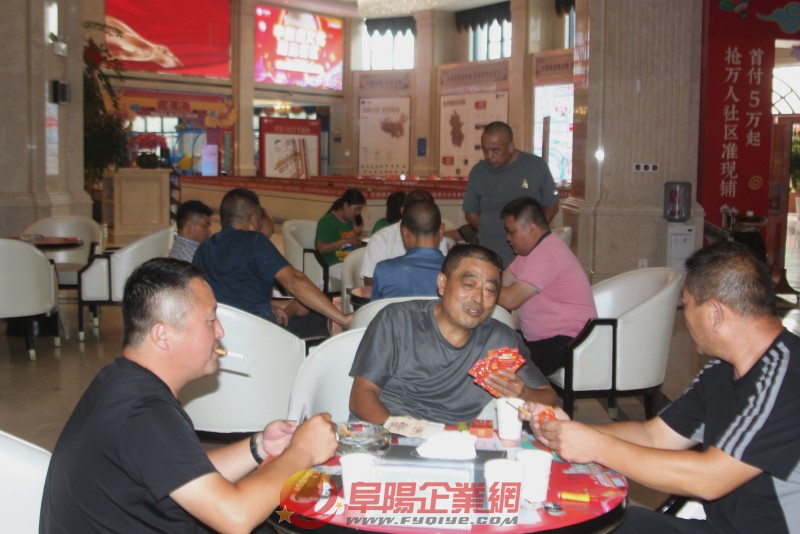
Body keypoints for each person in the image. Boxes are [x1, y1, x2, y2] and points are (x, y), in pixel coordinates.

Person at [40, 258, 338, 533]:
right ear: (162, 335)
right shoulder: (143, 411)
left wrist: (259, 446)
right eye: (210, 320)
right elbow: (235, 517)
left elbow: (182, 470)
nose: (220, 331)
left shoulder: (122, 382)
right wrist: (302, 451)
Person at [521, 241, 800, 533]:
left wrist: (595, 446)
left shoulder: (788, 379)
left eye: (687, 304)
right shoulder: (721, 371)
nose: (685, 316)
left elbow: (710, 478)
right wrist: (569, 431)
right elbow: (654, 436)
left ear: (715, 313)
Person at [349, 244, 558, 426]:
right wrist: (404, 431)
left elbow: (549, 398)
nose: (478, 298)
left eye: (489, 290)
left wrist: (523, 393)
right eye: (469, 285)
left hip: (453, 441)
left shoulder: (498, 341)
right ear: (442, 283)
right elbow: (361, 396)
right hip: (387, 430)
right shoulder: (398, 322)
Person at [193, 188, 350, 338]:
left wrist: (272, 307)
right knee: (317, 318)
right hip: (258, 333)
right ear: (254, 219)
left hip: (222, 331)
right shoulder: (253, 241)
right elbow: (294, 280)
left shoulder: (203, 249)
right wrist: (342, 318)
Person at [497, 197, 596, 375]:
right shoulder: (529, 253)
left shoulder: (546, 254)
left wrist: (475, 286)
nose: (508, 238)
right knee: (490, 347)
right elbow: (501, 283)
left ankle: (534, 393)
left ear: (531, 228)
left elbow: (510, 300)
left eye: (512, 232)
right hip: (542, 340)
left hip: (567, 342)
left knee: (495, 368)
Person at [463, 121, 560, 268]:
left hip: (529, 252)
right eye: (485, 150)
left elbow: (552, 206)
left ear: (510, 147)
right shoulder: (478, 172)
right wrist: (489, 230)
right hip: (490, 251)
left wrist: (533, 234)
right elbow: (471, 213)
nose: (489, 156)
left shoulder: (536, 166)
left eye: (495, 150)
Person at [360, 189, 451, 286]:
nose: (422, 216)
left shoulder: (439, 239)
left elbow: (444, 280)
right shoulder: (380, 240)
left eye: (426, 210)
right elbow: (370, 284)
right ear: (403, 211)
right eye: (416, 211)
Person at [372, 200, 445, 300]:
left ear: (404, 231)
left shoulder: (384, 270)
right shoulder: (456, 271)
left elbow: (375, 308)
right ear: (441, 230)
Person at [315, 188, 366, 280]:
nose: (358, 213)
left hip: (347, 262)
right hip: (332, 265)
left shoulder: (350, 222)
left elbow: (351, 248)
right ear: (345, 205)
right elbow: (321, 249)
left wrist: (355, 239)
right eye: (356, 209)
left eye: (360, 210)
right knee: (359, 276)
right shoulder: (327, 221)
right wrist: (345, 241)